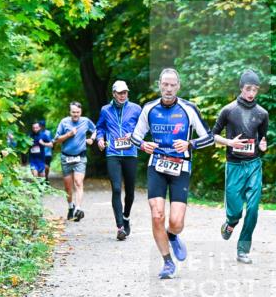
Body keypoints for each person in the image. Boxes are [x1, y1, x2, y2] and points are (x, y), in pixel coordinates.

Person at [131, 68, 214, 279]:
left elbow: (209, 137)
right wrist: (143, 145)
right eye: (165, 84)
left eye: (172, 85)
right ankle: (167, 262)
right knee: (157, 214)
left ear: (178, 86)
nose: (168, 89)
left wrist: (189, 144)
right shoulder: (149, 108)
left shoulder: (188, 109)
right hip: (157, 165)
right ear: (159, 85)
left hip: (180, 167)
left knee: (176, 222)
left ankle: (172, 235)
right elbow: (134, 137)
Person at [211, 70, 269, 264]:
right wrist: (229, 142)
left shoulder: (262, 113)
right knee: (236, 212)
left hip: (253, 164)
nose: (251, 93)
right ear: (241, 88)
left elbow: (263, 139)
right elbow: (213, 135)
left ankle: (243, 250)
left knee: (253, 209)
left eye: (255, 89)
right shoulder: (228, 110)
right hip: (234, 165)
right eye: (248, 89)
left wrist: (263, 145)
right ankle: (230, 223)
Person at [96, 80, 142, 241]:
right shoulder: (105, 110)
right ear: (114, 94)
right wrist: (100, 139)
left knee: (130, 191)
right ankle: (120, 227)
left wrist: (134, 135)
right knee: (116, 188)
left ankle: (126, 216)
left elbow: (144, 127)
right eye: (120, 93)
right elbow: (100, 127)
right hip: (113, 153)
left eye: (125, 92)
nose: (123, 95)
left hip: (130, 153)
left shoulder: (136, 109)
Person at [54, 102, 96, 221]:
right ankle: (70, 207)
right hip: (66, 157)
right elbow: (57, 139)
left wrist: (92, 139)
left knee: (78, 182)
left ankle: (78, 209)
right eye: (73, 112)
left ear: (80, 112)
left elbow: (96, 129)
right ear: (70, 112)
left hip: (80, 157)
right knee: (68, 187)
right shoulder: (64, 122)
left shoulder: (85, 121)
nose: (75, 114)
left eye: (77, 112)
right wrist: (68, 134)